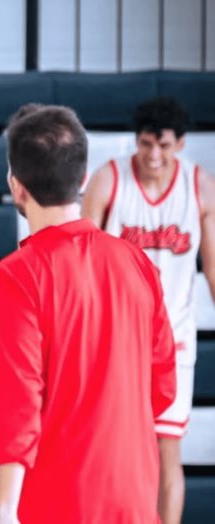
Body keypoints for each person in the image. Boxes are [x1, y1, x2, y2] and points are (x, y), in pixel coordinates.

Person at [0, 103, 177, 524]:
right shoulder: (139, 263)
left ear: (16, 187)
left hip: (53, 500)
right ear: (83, 179)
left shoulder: (14, 277)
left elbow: (17, 402)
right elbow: (163, 388)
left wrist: (6, 507)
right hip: (134, 499)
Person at [82, 96, 215, 524]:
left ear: (180, 144)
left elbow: (212, 267)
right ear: (135, 141)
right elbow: (83, 262)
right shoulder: (109, 181)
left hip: (174, 337)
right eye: (145, 144)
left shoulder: (200, 187)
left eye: (163, 145)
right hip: (118, 338)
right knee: (112, 444)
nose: (153, 155)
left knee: (166, 447)